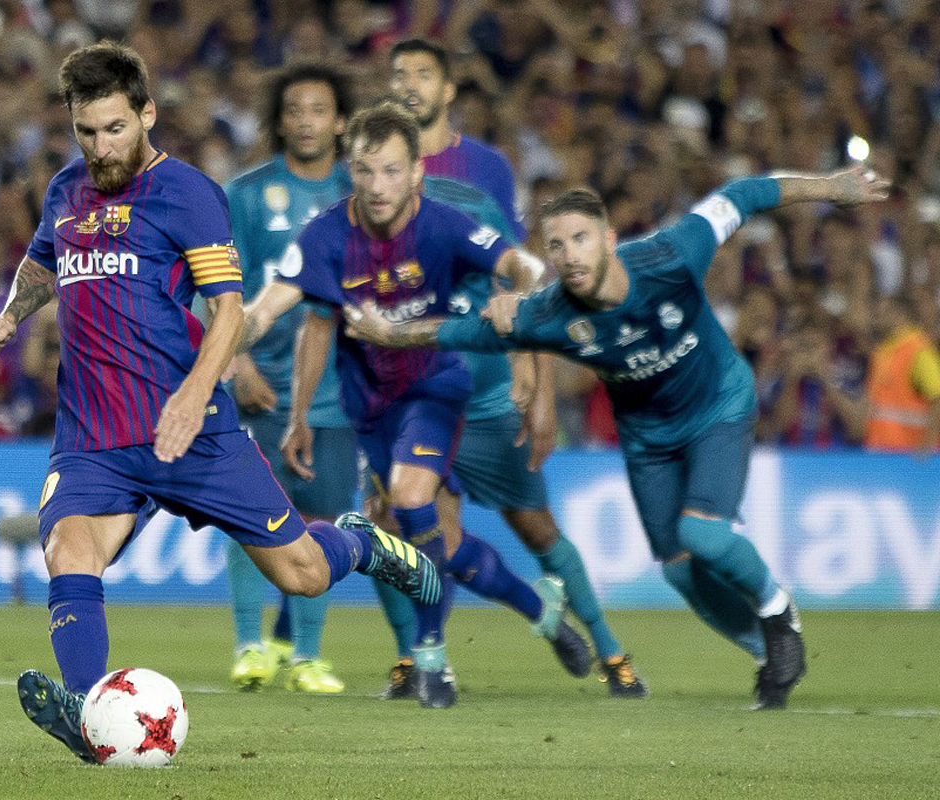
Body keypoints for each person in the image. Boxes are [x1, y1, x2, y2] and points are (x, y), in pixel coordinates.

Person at [0, 43, 440, 762]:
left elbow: (228, 313)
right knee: (68, 550)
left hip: (192, 430)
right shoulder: (66, 190)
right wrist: (10, 314)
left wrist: (192, 398)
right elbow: (43, 262)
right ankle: (92, 716)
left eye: (115, 130)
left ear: (147, 113)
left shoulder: (187, 193)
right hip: (94, 435)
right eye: (87, 132)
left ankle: (359, 541)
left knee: (304, 575)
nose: (101, 147)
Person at [343, 165, 891, 709]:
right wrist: (388, 332)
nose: (570, 255)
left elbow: (744, 193)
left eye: (580, 239)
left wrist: (832, 188)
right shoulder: (548, 315)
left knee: (703, 536)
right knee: (681, 574)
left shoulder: (672, 253)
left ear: (608, 239)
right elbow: (457, 331)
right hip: (648, 438)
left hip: (718, 406)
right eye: (556, 246)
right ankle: (769, 651)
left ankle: (778, 610)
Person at [241, 101, 569, 709]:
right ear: (350, 172)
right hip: (370, 410)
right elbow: (270, 310)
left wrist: (517, 295)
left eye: (392, 171)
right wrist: (227, 352)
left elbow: (523, 264)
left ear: (418, 172)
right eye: (365, 171)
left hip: (434, 388)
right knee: (424, 543)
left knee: (413, 500)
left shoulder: (445, 224)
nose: (378, 186)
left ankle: (431, 657)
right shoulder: (326, 236)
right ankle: (538, 605)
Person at [381, 37, 644, 698]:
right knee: (403, 525)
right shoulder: (372, 169)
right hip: (417, 388)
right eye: (398, 75)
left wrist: (541, 384)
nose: (409, 84)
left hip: (487, 385)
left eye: (423, 74)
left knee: (535, 526)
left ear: (448, 91)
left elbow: (517, 273)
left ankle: (609, 650)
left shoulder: (485, 169)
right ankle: (422, 656)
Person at [222, 63, 358, 694]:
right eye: (295, 109)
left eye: (319, 109)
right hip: (262, 381)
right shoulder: (247, 194)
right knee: (253, 513)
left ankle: (307, 656)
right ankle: (251, 646)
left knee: (324, 515)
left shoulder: (361, 194)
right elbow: (218, 283)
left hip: (338, 385)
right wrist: (233, 360)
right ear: (279, 121)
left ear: (340, 121)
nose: (306, 120)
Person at [863, 294, 940, 453]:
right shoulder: (882, 352)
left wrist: (928, 446)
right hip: (880, 452)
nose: (875, 317)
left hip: (909, 457)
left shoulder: (919, 351)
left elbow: (938, 398)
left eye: (881, 312)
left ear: (899, 314)